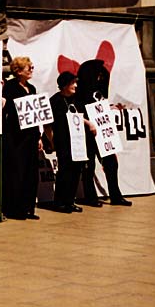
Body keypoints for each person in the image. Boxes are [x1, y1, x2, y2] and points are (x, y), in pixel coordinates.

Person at [76, 59, 132, 207]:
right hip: (88, 132)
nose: (101, 77)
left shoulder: (99, 89)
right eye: (98, 74)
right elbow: (77, 112)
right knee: (89, 165)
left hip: (102, 131)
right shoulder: (80, 90)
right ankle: (90, 197)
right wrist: (88, 123)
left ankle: (116, 195)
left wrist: (110, 108)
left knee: (111, 163)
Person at [1, 57, 41, 220]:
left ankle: (28, 207)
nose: (31, 70)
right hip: (15, 135)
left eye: (32, 67)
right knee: (17, 171)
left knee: (31, 172)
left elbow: (36, 113)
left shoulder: (31, 88)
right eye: (28, 68)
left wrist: (39, 136)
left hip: (30, 135)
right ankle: (15, 208)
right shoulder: (10, 86)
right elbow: (4, 107)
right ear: (18, 71)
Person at [44, 71, 85, 214]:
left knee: (76, 171)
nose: (76, 85)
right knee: (64, 172)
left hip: (77, 141)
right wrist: (52, 141)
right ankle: (59, 202)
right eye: (73, 83)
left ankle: (70, 201)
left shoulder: (76, 99)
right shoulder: (55, 101)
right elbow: (47, 125)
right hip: (63, 141)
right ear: (65, 85)